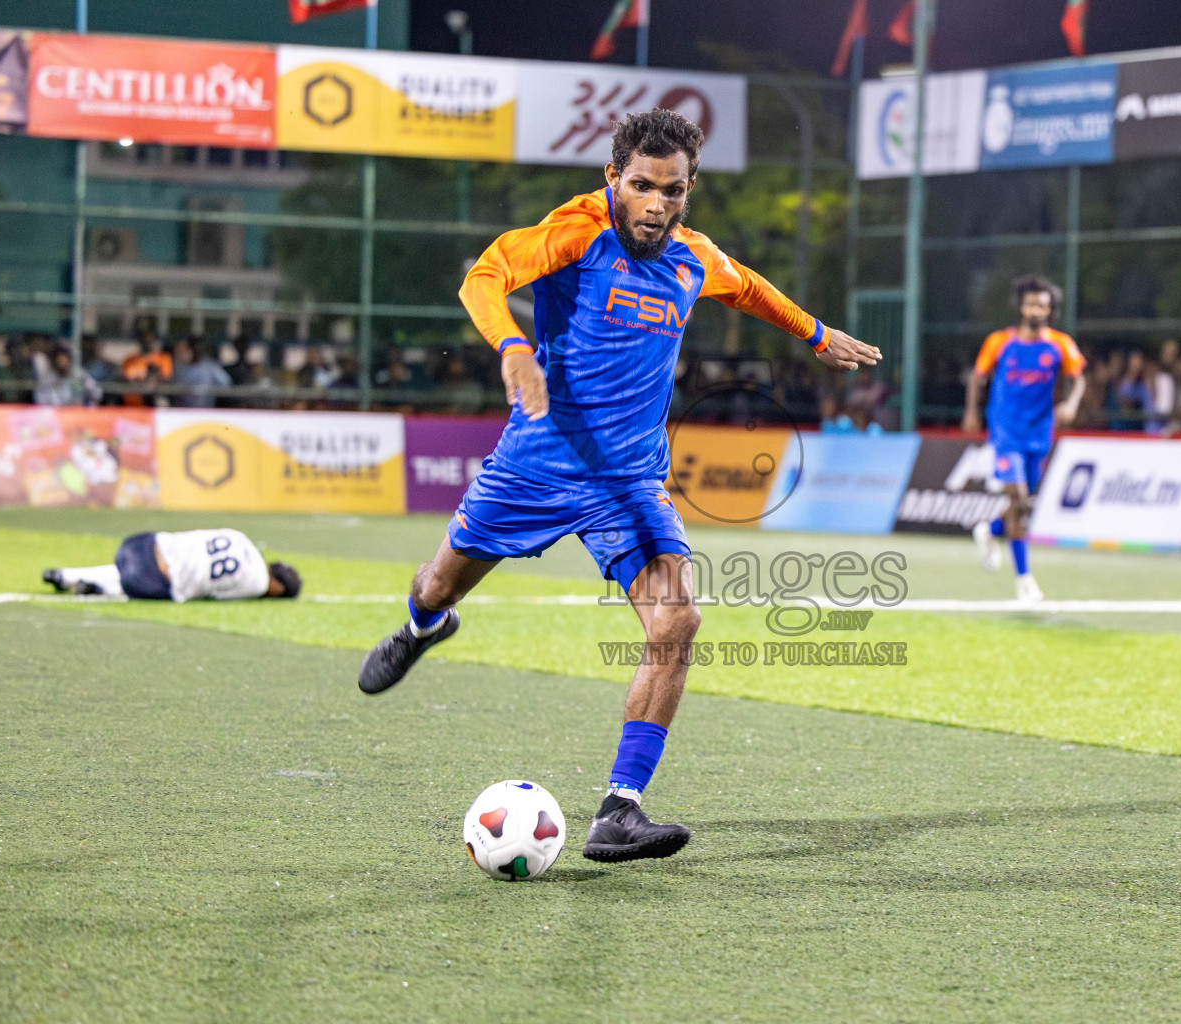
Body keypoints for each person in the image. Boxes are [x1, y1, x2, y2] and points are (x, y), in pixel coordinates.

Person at [355, 110, 880, 863]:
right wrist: (510, 346)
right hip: (535, 463)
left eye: (671, 190)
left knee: (678, 624)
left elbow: (750, 288)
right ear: (614, 180)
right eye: (641, 186)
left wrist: (813, 332)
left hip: (629, 482)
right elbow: (485, 275)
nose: (655, 204)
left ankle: (619, 808)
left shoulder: (694, 257)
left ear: (689, 188)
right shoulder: (576, 231)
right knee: (439, 585)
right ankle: (422, 629)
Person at [960, 274, 1085, 602]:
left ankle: (990, 530)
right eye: (1030, 303)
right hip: (1005, 431)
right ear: (1021, 306)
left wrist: (1070, 403)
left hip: (1039, 433)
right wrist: (972, 410)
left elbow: (1079, 378)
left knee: (1023, 505)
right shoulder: (1000, 342)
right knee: (1018, 497)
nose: (1035, 309)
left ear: (1050, 310)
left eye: (1042, 304)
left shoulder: (1060, 344)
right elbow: (978, 376)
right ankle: (1024, 580)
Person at [43, 528, 301, 602]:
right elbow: (214, 595)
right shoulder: (257, 586)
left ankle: (67, 575)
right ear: (277, 586)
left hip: (147, 543)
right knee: (135, 586)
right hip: (155, 579)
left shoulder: (240, 536)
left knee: (125, 571)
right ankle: (98, 589)